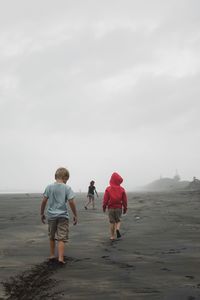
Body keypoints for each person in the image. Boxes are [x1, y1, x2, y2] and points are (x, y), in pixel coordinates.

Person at [40, 167, 78, 265]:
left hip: (51, 216)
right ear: (65, 177)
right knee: (62, 237)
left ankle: (52, 255)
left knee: (51, 236)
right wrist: (75, 214)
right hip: (63, 216)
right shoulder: (67, 188)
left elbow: (44, 201)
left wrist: (41, 213)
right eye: (67, 179)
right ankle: (60, 258)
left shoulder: (49, 187)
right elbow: (71, 202)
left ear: (56, 176)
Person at [103, 172, 127, 240]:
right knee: (118, 221)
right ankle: (118, 229)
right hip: (118, 208)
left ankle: (112, 236)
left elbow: (105, 199)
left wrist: (104, 207)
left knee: (112, 222)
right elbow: (125, 200)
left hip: (110, 208)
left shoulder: (108, 189)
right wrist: (125, 208)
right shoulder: (122, 189)